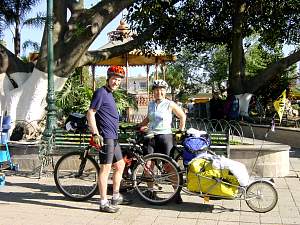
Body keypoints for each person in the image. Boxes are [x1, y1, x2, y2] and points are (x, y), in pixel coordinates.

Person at [87, 65, 131, 213]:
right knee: (105, 169)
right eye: (114, 79)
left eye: (118, 80)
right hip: (105, 137)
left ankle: (116, 196)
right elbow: (91, 113)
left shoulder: (110, 94)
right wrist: (95, 134)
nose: (116, 82)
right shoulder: (101, 92)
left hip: (114, 137)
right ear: (108, 78)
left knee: (120, 166)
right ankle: (103, 202)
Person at [138, 79, 186, 203]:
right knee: (148, 165)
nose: (159, 92)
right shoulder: (151, 104)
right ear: (153, 92)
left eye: (161, 90)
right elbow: (149, 118)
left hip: (165, 137)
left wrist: (181, 130)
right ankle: (150, 191)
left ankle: (176, 192)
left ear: (165, 91)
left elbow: (182, 116)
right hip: (151, 137)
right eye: (156, 90)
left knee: (169, 166)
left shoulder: (170, 104)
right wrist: (140, 125)